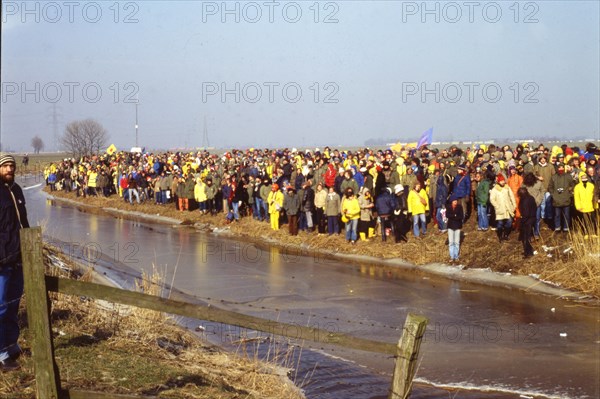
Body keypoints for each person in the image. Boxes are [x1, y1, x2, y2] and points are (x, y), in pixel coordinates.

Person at [0, 154, 30, 371]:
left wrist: (30, 249)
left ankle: (11, 346)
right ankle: (1, 354)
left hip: (18, 257)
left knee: (12, 305)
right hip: (1, 260)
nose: (9, 169)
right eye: (5, 166)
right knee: (0, 307)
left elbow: (24, 222)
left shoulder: (16, 189)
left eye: (12, 165)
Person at [490, 174, 516, 242]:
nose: (503, 182)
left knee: (509, 222)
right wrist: (497, 206)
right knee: (500, 224)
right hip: (500, 209)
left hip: (508, 209)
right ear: (498, 181)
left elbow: (512, 196)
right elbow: (492, 199)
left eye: (503, 180)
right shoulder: (495, 189)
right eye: (501, 181)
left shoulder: (507, 187)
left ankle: (506, 235)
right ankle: (500, 236)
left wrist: (514, 205)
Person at [518, 187, 537, 258]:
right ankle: (528, 252)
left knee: (526, 238)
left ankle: (528, 253)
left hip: (527, 221)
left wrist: (522, 221)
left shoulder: (524, 200)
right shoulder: (531, 197)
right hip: (532, 218)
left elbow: (526, 213)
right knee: (528, 237)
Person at [446, 198, 464, 264]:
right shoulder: (449, 207)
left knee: (456, 242)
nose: (455, 202)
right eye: (454, 201)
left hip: (457, 227)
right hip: (450, 227)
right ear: (452, 201)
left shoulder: (460, 207)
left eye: (456, 201)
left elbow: (461, 216)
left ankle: (456, 256)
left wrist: (453, 217)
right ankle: (451, 256)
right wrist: (454, 215)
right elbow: (447, 215)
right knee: (451, 242)